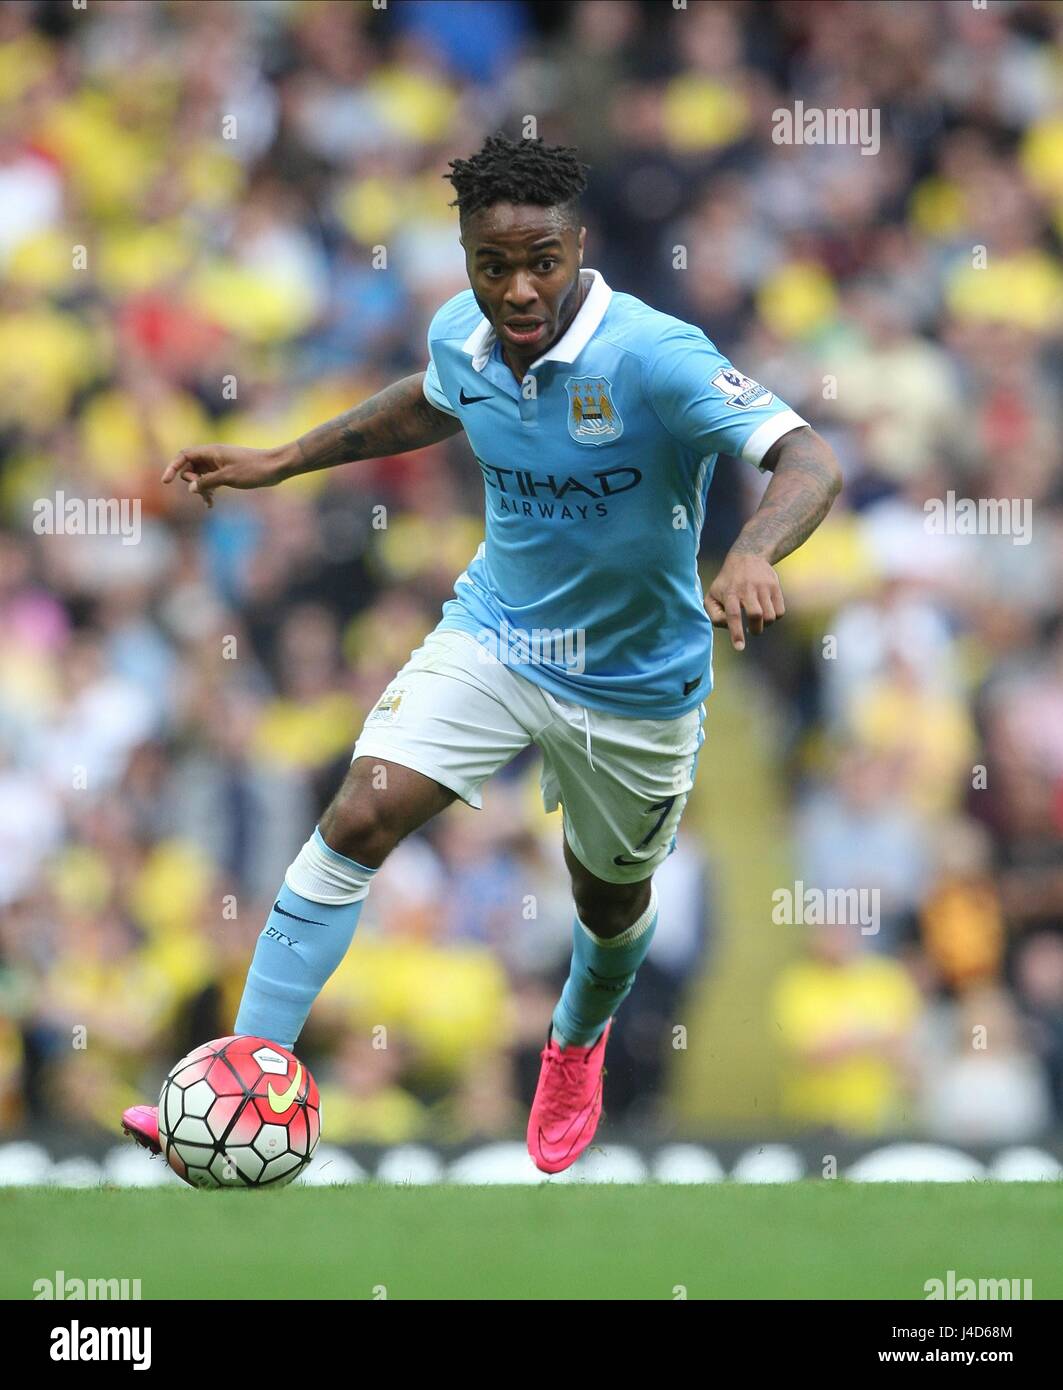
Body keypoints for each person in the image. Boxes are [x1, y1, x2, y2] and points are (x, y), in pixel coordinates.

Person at [122, 133, 841, 1173]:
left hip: (637, 682)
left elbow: (804, 456)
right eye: (490, 263)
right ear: (462, 254)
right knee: (359, 809)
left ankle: (576, 1040)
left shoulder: (653, 354)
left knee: (609, 902)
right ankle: (243, 1073)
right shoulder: (462, 333)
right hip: (497, 635)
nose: (516, 287)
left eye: (539, 260)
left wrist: (751, 552)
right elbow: (431, 396)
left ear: (578, 245)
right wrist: (282, 458)